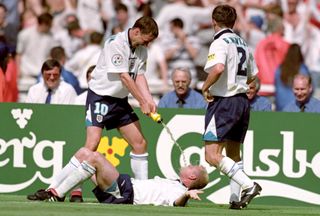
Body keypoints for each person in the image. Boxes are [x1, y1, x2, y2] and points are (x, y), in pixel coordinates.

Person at [36, 16, 159, 202]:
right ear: (136, 31)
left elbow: (139, 75)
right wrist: (141, 100)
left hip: (119, 100)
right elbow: (125, 77)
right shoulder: (115, 43)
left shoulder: (142, 49)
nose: (148, 45)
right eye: (146, 39)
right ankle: (56, 188)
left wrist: (149, 99)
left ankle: (142, 194)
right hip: (100, 97)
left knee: (140, 143)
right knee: (91, 147)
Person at [201, 5, 261, 210]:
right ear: (234, 22)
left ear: (213, 21)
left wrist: (205, 86)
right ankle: (235, 200)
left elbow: (218, 68)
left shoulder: (219, 41)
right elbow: (253, 75)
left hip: (224, 101)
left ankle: (249, 185)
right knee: (234, 153)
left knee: (211, 155)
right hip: (243, 101)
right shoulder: (243, 43)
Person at [27, 147, 209, 206]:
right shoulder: (174, 183)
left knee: (96, 158)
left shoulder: (179, 190)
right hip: (125, 188)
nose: (188, 164)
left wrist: (186, 195)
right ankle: (52, 190)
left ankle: (57, 194)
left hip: (125, 193)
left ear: (192, 176)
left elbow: (176, 204)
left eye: (192, 166)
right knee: (84, 152)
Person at [274, 44, 310, 111]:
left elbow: (276, 85)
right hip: (296, 107)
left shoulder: (280, 68)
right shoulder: (303, 69)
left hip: (280, 105)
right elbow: (310, 88)